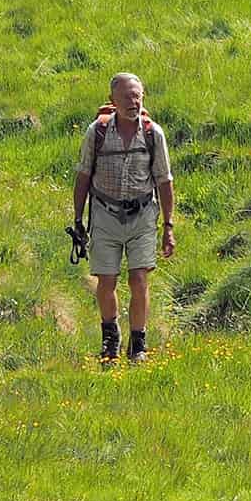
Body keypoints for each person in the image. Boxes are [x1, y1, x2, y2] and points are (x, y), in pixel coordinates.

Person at [71, 72, 175, 362]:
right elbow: (83, 175)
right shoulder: (98, 132)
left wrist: (168, 226)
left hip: (142, 215)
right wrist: (78, 219)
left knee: (139, 278)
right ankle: (110, 341)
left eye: (138, 96)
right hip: (104, 214)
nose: (134, 101)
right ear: (113, 101)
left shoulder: (154, 134)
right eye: (128, 97)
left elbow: (164, 181)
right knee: (107, 280)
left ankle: (138, 345)